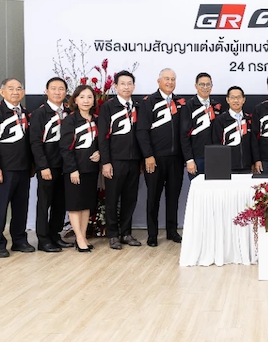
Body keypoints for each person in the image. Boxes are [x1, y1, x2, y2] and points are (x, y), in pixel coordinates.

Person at [0, 78, 35, 258]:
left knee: (21, 208)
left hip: (23, 169)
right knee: (0, 208)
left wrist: (32, 165)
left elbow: (31, 143)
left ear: (23, 92)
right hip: (2, 170)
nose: (15, 92)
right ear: (2, 92)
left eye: (19, 88)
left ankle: (19, 240)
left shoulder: (26, 113)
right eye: (11, 88)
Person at [137, 68, 186, 246]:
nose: (170, 82)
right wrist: (148, 155)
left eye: (173, 79)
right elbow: (142, 131)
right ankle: (152, 234)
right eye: (166, 79)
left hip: (176, 159)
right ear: (159, 81)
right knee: (153, 198)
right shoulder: (149, 102)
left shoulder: (180, 103)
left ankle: (172, 231)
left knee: (173, 197)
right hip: (155, 159)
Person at [97, 70, 142, 250]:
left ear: (134, 87)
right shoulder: (108, 107)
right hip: (115, 161)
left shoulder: (137, 106)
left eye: (129, 83)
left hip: (134, 161)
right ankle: (113, 235)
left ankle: (126, 233)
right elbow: (102, 137)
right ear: (115, 86)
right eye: (122, 84)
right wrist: (106, 162)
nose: (126, 87)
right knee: (112, 199)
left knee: (130, 199)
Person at [29, 77, 73, 252]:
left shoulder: (69, 113)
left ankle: (55, 235)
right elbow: (35, 142)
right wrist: (42, 166)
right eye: (53, 88)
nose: (57, 92)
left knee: (60, 203)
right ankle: (43, 239)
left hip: (65, 166)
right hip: (48, 165)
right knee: (44, 203)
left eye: (61, 89)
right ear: (46, 91)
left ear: (66, 92)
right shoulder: (40, 113)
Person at [60, 85, 101, 253]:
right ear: (75, 100)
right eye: (82, 97)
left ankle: (82, 237)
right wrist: (72, 169)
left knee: (86, 205)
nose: (86, 100)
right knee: (75, 204)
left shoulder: (96, 120)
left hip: (91, 169)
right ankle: (79, 238)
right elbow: (65, 148)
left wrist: (99, 153)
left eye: (89, 97)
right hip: (75, 170)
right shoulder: (70, 120)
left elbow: (101, 142)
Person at [180, 72, 221, 179]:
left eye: (208, 84)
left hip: (215, 156)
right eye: (202, 84)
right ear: (196, 86)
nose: (205, 87)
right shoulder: (188, 106)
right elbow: (184, 135)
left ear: (212, 86)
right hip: (196, 158)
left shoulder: (216, 106)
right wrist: (189, 159)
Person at [212, 86, 254, 174]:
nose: (236, 100)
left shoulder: (249, 119)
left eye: (238, 97)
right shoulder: (220, 120)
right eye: (232, 97)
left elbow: (253, 143)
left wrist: (254, 162)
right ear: (227, 100)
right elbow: (216, 144)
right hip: (227, 168)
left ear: (244, 100)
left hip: (247, 167)